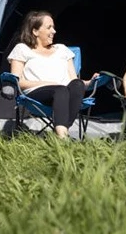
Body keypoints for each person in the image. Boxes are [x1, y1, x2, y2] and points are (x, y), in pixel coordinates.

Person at [7, 10, 96, 139]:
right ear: (35, 31)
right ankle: (63, 138)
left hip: (65, 93)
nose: (54, 31)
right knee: (60, 90)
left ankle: (61, 133)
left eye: (53, 27)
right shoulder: (22, 49)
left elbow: (73, 80)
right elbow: (17, 81)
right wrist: (48, 83)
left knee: (77, 84)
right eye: (49, 27)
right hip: (36, 93)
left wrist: (90, 82)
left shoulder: (62, 49)